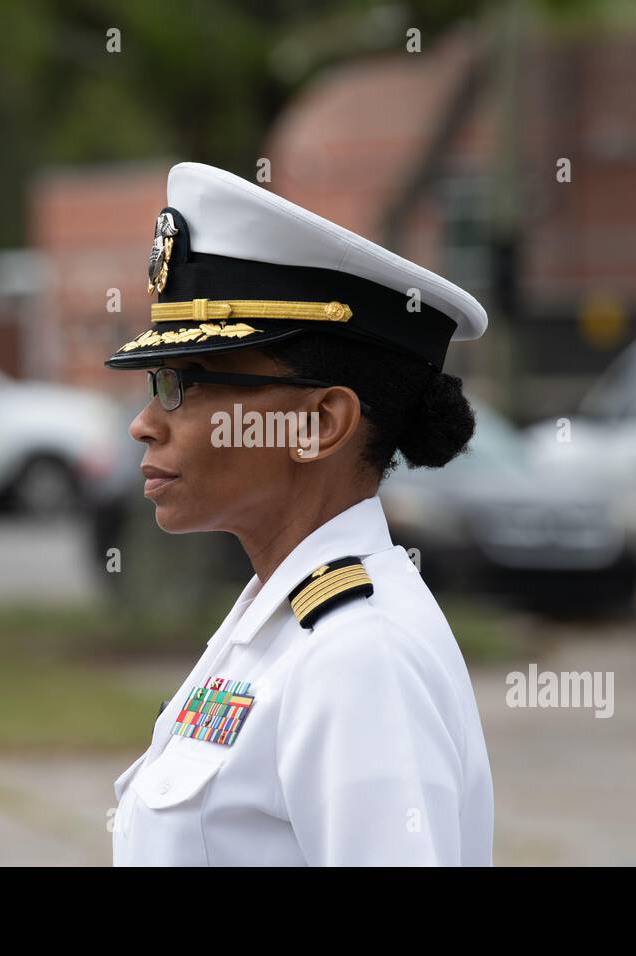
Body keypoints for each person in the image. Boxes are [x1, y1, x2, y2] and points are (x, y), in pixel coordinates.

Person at [105, 162, 493, 866]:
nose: (144, 424)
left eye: (184, 385)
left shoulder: (357, 655)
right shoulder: (280, 618)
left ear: (319, 423)